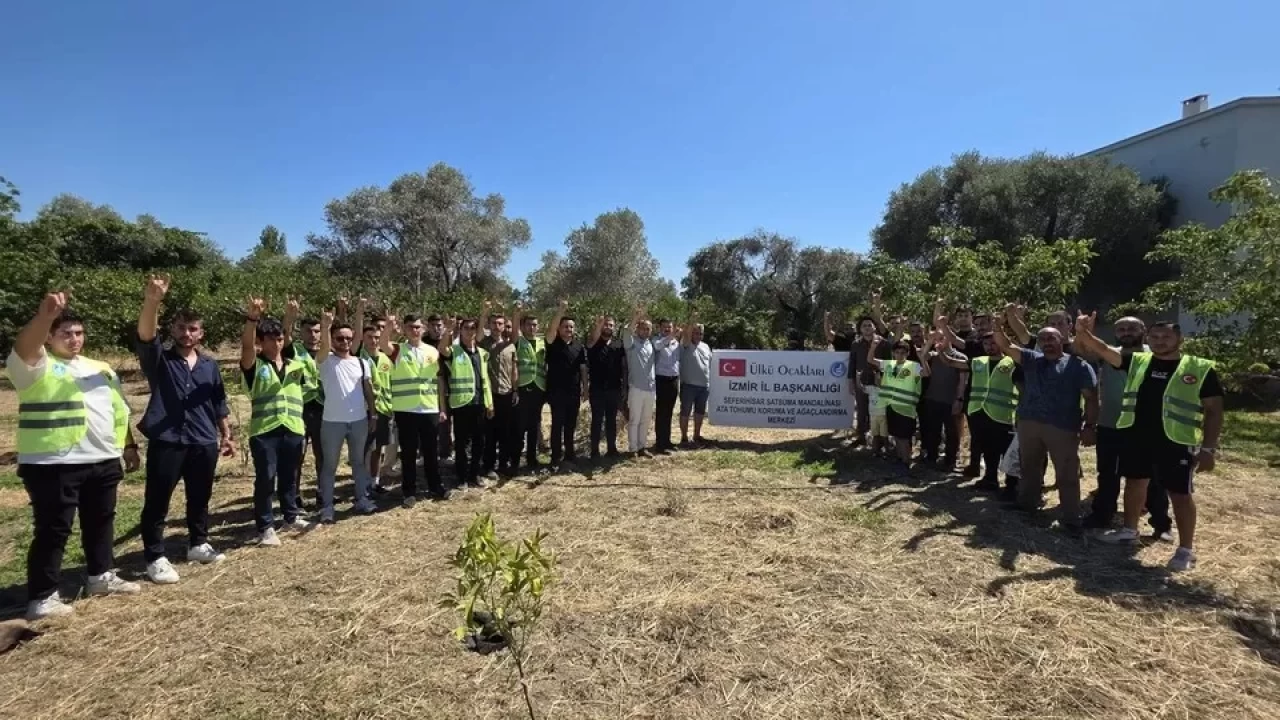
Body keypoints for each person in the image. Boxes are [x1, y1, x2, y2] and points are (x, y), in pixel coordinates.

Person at [8, 292, 142, 620]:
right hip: (54, 463)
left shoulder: (101, 369)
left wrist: (127, 446)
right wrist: (44, 317)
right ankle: (42, 597)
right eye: (65, 333)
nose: (74, 339)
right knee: (53, 529)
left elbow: (118, 410)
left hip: (102, 460)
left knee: (101, 523)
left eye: (79, 333)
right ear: (50, 337)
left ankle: (101, 576)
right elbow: (25, 346)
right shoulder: (35, 365)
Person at [1075, 315, 1223, 571]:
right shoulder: (1138, 361)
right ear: (1148, 338)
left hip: (1176, 440)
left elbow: (1214, 411)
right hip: (1137, 437)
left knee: (1180, 494)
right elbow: (1104, 351)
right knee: (1134, 483)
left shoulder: (1199, 368)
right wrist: (1084, 333)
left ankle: (1186, 550)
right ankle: (1129, 531)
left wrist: (1208, 448)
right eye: (1155, 337)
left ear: (1179, 339)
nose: (1159, 341)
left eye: (1166, 337)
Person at [136, 275, 234, 585]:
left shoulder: (209, 366)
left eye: (192, 328)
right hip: (168, 440)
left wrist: (226, 434)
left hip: (203, 439)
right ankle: (154, 556)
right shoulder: (160, 360)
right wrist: (153, 301)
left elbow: (219, 401)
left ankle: (198, 543)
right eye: (180, 327)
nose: (187, 333)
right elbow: (146, 336)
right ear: (172, 330)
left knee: (200, 496)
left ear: (201, 333)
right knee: (157, 499)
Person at [992, 304, 1098, 529]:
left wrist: (1090, 425)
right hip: (1029, 423)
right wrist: (997, 327)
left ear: (1062, 341)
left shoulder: (1078, 365)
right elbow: (1006, 345)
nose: (1048, 343)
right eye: (1043, 340)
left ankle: (1071, 518)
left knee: (1066, 474)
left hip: (1062, 426)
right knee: (1029, 467)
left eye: (1052, 339)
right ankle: (1027, 505)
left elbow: (1090, 398)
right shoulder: (1032, 359)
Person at [1077, 317, 1171, 537]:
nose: (1126, 332)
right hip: (1111, 423)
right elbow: (1083, 352)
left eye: (1131, 328)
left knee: (1153, 479)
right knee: (1108, 474)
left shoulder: (1156, 353)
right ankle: (1101, 516)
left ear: (1143, 330)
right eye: (1121, 329)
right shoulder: (1109, 352)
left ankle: (1161, 524)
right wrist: (1083, 333)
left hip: (1146, 428)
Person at [239, 298, 311, 546]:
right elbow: (247, 347)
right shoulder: (255, 365)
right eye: (270, 339)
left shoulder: (294, 365)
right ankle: (265, 526)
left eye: (279, 339)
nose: (277, 343)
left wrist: (289, 318)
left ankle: (290, 516)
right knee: (266, 479)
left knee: (289, 475)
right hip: (265, 431)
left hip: (292, 428)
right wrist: (252, 319)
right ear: (261, 341)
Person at [935, 330, 1016, 492]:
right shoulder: (978, 361)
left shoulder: (1013, 362)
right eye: (986, 344)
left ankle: (1011, 484)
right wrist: (941, 350)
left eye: (993, 343)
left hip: (1002, 415)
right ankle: (990, 478)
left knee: (1006, 450)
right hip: (980, 412)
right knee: (987, 448)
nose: (989, 347)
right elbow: (951, 362)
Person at [315, 312, 377, 522]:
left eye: (349, 339)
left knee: (359, 462)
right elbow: (323, 348)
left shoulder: (361, 363)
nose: (345, 342)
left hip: (358, 420)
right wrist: (325, 326)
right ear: (332, 339)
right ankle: (327, 507)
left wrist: (373, 414)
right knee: (330, 465)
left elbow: (368, 390)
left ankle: (362, 500)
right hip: (332, 422)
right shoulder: (325, 360)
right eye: (340, 338)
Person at [381, 314, 444, 505]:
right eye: (410, 327)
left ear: (423, 328)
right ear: (404, 329)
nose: (414, 330)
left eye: (417, 327)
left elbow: (438, 380)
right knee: (408, 453)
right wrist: (389, 327)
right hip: (406, 410)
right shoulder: (399, 349)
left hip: (429, 409)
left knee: (431, 452)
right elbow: (383, 344)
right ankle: (409, 492)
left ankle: (436, 488)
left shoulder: (432, 351)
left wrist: (441, 407)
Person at [439, 318, 495, 487]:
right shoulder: (455, 351)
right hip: (461, 404)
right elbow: (441, 349)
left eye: (473, 328)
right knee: (462, 443)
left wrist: (489, 403)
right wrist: (448, 330)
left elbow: (485, 380)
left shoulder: (482, 353)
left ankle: (474, 475)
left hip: (479, 404)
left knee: (479, 442)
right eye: (466, 328)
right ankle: (462, 478)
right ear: (461, 330)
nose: (470, 331)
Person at [867, 334, 933, 467]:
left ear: (907, 354)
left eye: (903, 353)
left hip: (906, 408)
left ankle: (906, 461)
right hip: (891, 406)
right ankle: (900, 458)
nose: (900, 355)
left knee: (904, 437)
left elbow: (926, 373)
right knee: (896, 435)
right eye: (897, 352)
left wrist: (921, 357)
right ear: (893, 353)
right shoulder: (888, 364)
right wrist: (873, 347)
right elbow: (870, 359)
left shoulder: (912, 366)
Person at [283, 300, 324, 511]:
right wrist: (290, 316)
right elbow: (285, 336)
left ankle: (322, 493)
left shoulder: (327, 350)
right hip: (300, 409)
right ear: (302, 332)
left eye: (317, 331)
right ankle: (294, 498)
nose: (314, 335)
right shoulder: (295, 351)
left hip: (322, 408)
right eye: (309, 331)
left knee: (323, 454)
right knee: (296, 456)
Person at [919, 317, 968, 469]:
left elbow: (962, 381)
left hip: (950, 400)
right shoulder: (933, 356)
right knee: (933, 430)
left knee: (952, 433)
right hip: (933, 398)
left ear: (950, 339)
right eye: (936, 339)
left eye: (942, 338)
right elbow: (922, 356)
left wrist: (959, 400)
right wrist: (930, 341)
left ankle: (950, 460)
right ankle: (932, 456)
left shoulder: (960, 357)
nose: (938, 342)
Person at [544, 301, 588, 470]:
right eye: (565, 327)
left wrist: (585, 389)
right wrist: (560, 310)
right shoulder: (553, 342)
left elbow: (583, 369)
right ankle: (555, 458)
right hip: (556, 392)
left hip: (574, 392)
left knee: (570, 425)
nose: (568, 330)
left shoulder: (579, 346)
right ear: (559, 328)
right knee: (557, 425)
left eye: (571, 327)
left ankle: (570, 455)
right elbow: (550, 330)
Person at [481, 305, 521, 477]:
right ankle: (488, 466)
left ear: (504, 326)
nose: (497, 326)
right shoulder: (483, 344)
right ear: (489, 325)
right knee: (489, 433)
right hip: (489, 395)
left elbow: (514, 369)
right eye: (494, 323)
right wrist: (484, 311)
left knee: (505, 432)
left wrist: (515, 390)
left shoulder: (510, 346)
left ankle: (504, 464)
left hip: (506, 394)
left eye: (500, 323)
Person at [511, 303, 547, 472]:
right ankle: (516, 460)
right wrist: (516, 313)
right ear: (523, 326)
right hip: (523, 389)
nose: (532, 328)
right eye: (528, 325)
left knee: (534, 425)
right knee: (519, 426)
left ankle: (532, 460)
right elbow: (513, 332)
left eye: (534, 325)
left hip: (538, 388)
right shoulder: (519, 341)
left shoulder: (542, 343)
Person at [587, 315, 625, 459]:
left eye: (610, 325)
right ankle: (594, 451)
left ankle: (611, 449)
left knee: (611, 420)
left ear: (614, 328)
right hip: (597, 389)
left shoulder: (618, 344)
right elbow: (590, 342)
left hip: (614, 389)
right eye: (605, 325)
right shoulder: (594, 342)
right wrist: (598, 324)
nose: (608, 327)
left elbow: (623, 366)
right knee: (597, 420)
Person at [623, 305, 658, 457]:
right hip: (636, 388)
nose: (645, 331)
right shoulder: (631, 343)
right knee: (634, 419)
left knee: (646, 419)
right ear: (638, 329)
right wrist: (636, 317)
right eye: (643, 328)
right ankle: (632, 449)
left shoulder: (651, 344)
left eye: (648, 329)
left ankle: (642, 447)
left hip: (650, 389)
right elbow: (626, 332)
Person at [679, 314, 713, 447]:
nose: (698, 335)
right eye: (695, 333)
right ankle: (683, 438)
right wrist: (691, 321)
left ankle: (697, 435)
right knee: (685, 412)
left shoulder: (705, 346)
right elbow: (686, 334)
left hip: (704, 386)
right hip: (688, 385)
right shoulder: (685, 344)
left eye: (700, 333)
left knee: (699, 412)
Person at [652, 317, 682, 453]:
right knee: (661, 412)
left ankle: (667, 441)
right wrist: (671, 336)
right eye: (665, 327)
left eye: (670, 327)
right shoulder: (656, 340)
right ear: (659, 328)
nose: (668, 329)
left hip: (674, 379)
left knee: (669, 412)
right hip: (661, 379)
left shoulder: (676, 342)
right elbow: (658, 347)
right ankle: (660, 443)